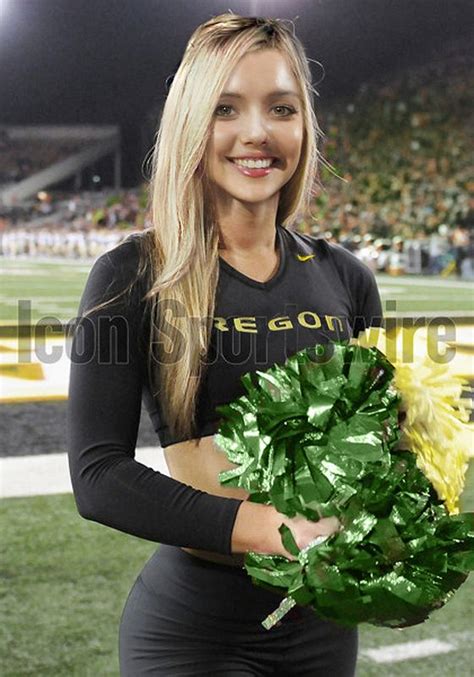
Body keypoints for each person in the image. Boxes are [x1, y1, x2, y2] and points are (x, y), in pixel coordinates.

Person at [66, 13, 383, 676]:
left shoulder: (347, 277)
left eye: (281, 108)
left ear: (304, 126)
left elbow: (377, 445)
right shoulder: (132, 275)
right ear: (191, 124)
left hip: (324, 627)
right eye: (226, 109)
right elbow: (97, 475)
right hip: (190, 634)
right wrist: (264, 527)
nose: (257, 133)